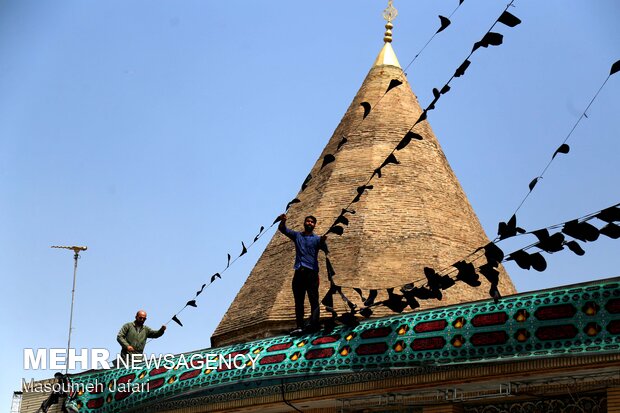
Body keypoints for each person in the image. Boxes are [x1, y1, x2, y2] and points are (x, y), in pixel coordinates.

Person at [278, 213, 327, 334]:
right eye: (308, 221)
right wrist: (283, 221)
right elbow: (283, 229)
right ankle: (299, 325)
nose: (309, 223)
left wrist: (323, 241)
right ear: (304, 223)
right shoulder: (297, 236)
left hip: (311, 272)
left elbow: (326, 250)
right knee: (298, 301)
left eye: (312, 222)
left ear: (314, 225)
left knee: (313, 299)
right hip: (299, 271)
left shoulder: (317, 239)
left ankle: (315, 323)